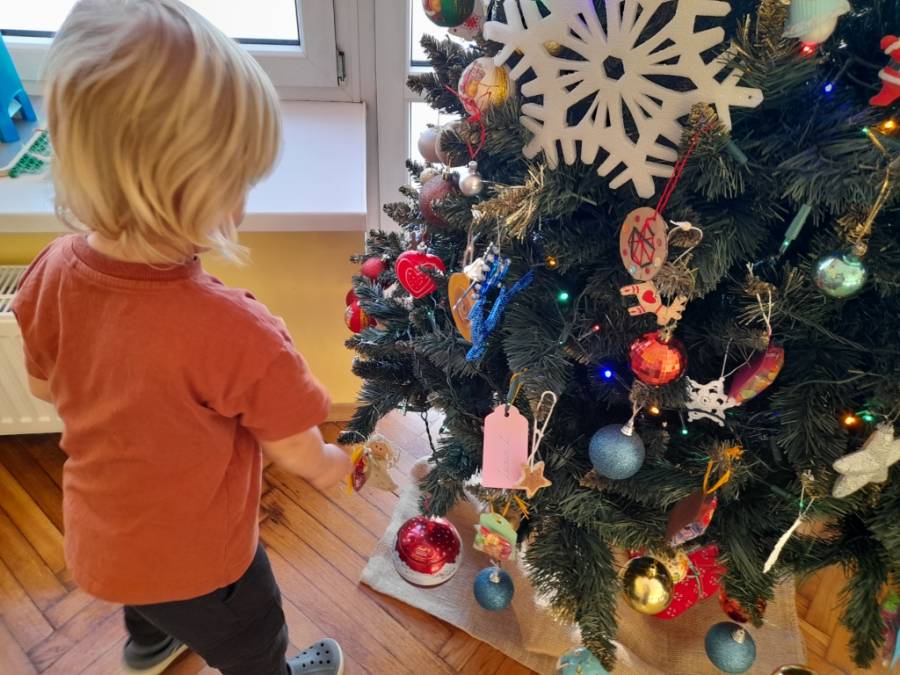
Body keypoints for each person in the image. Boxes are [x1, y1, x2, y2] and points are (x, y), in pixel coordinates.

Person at [11, 1, 352, 673]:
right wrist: (330, 464)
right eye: (238, 182)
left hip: (104, 539)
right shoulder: (237, 331)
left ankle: (149, 644)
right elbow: (295, 449)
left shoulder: (50, 269)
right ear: (191, 195)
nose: (243, 200)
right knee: (255, 634)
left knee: (148, 598)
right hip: (208, 563)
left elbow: (43, 386)